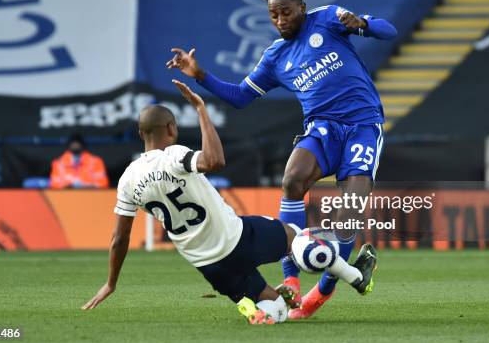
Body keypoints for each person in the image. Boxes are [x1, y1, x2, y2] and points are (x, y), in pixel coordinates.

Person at [166, 0, 396, 319]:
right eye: (273, 15)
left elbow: (388, 31)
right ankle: (292, 281)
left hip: (363, 126)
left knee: (348, 212)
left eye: (286, 12)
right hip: (322, 128)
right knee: (291, 180)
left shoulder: (330, 18)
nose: (280, 20)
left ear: (301, 7)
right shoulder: (276, 57)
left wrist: (363, 23)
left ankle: (324, 293)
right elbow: (241, 97)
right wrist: (201, 75)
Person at [81, 80, 378, 324]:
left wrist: (111, 283)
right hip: (237, 238)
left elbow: (119, 238)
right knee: (301, 241)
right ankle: (356, 277)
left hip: (207, 265)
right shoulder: (173, 156)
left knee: (278, 311)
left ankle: (254, 307)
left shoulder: (127, 179)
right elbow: (215, 161)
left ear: (140, 134)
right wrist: (201, 111)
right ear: (171, 129)